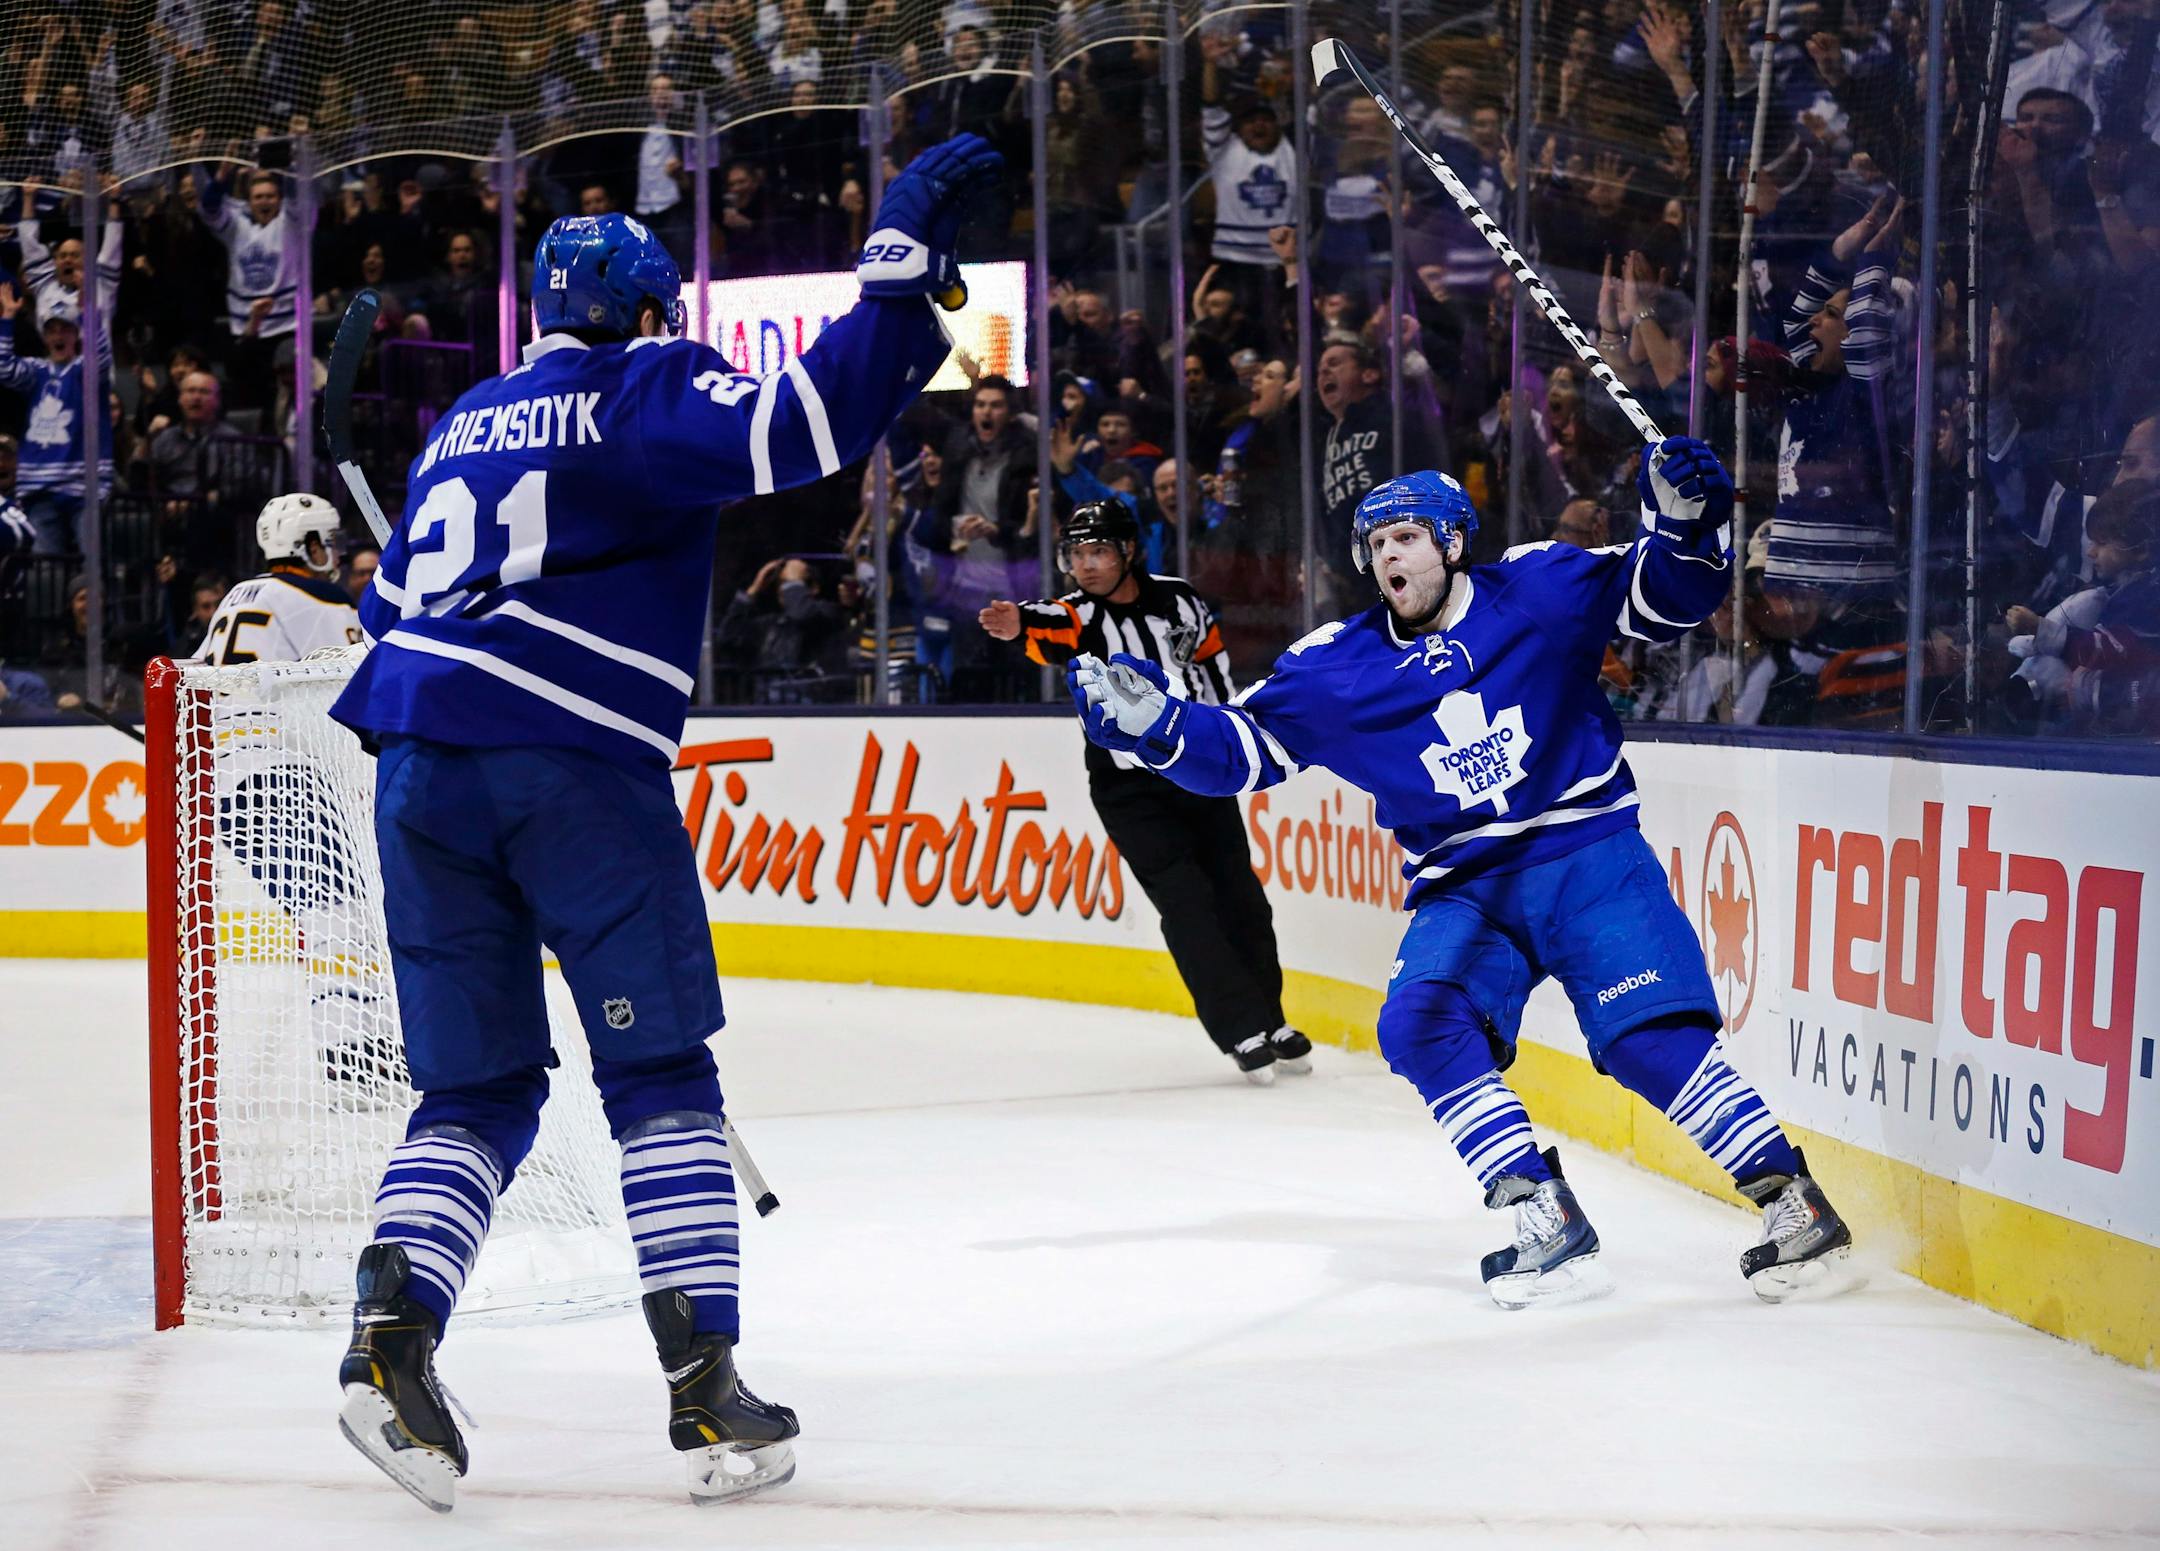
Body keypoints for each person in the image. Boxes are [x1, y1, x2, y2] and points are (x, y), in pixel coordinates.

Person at [326, 135, 1003, 1510]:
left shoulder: (465, 424)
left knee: (476, 1090)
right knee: (658, 1080)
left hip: (416, 767)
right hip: (568, 766)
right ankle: (707, 1390)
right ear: (647, 314)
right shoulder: (644, 383)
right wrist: (893, 280)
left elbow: (387, 614)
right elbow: (798, 431)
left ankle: (390, 1341)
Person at [1065, 442, 1856, 1308]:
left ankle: (1793, 1200)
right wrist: (1158, 729)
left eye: (1406, 536)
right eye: (1375, 546)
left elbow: (1668, 598)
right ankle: (1544, 1215)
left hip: (1586, 855)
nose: (1389, 557)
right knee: (1419, 1022)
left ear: (1450, 542)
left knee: (1645, 1039)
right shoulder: (1339, 667)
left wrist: (1686, 525)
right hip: (1469, 886)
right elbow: (1240, 754)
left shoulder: (1539, 590)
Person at [979, 500, 1310, 1082]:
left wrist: (1232, 735)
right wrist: (1016, 624)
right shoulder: (1079, 615)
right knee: (1186, 903)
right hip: (1129, 787)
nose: (1086, 564)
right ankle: (1239, 1028)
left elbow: (1215, 668)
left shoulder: (1180, 599)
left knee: (1241, 895)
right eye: (1076, 554)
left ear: (1129, 551)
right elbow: (1046, 621)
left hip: (1199, 766)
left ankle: (1272, 1016)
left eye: (1099, 551)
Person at [0, 281, 113, 557]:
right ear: (44, 336)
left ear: (77, 335)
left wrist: (90, 314)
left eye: (65, 329)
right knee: (45, 568)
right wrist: (6, 319)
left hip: (83, 488)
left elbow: (100, 358)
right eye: (51, 330)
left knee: (91, 563)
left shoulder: (84, 371)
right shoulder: (37, 371)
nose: (58, 335)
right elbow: (3, 367)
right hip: (39, 490)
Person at [193, 494, 362, 665]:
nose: (338, 555)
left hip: (221, 691)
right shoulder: (325, 597)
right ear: (314, 549)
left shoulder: (236, 593)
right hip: (271, 693)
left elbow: (196, 665)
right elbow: (352, 675)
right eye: (332, 542)